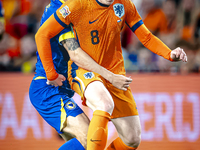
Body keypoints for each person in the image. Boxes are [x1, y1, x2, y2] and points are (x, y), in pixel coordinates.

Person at [35, 0, 188, 149]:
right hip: (84, 70)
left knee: (132, 139)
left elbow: (146, 37)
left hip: (115, 72)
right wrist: (50, 73)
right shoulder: (76, 5)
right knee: (104, 104)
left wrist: (169, 53)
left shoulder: (124, 4)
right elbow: (43, 35)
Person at [29, 0, 131, 150]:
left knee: (89, 144)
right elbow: (75, 53)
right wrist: (110, 77)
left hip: (60, 88)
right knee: (89, 139)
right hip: (48, 90)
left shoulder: (74, 7)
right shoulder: (61, 11)